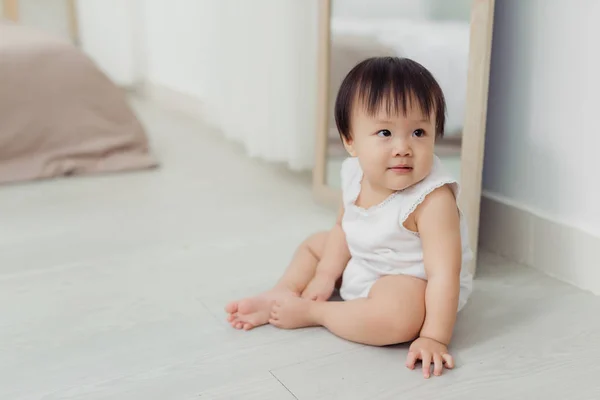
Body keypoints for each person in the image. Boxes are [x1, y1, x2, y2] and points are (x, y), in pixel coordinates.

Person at [225, 56, 473, 379]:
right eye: (385, 132)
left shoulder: (432, 199)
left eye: (418, 132)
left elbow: (443, 275)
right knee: (316, 244)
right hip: (364, 260)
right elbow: (345, 226)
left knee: (401, 314)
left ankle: (317, 312)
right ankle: (283, 292)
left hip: (411, 280)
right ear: (350, 141)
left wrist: (434, 337)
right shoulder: (353, 173)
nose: (403, 147)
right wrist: (326, 275)